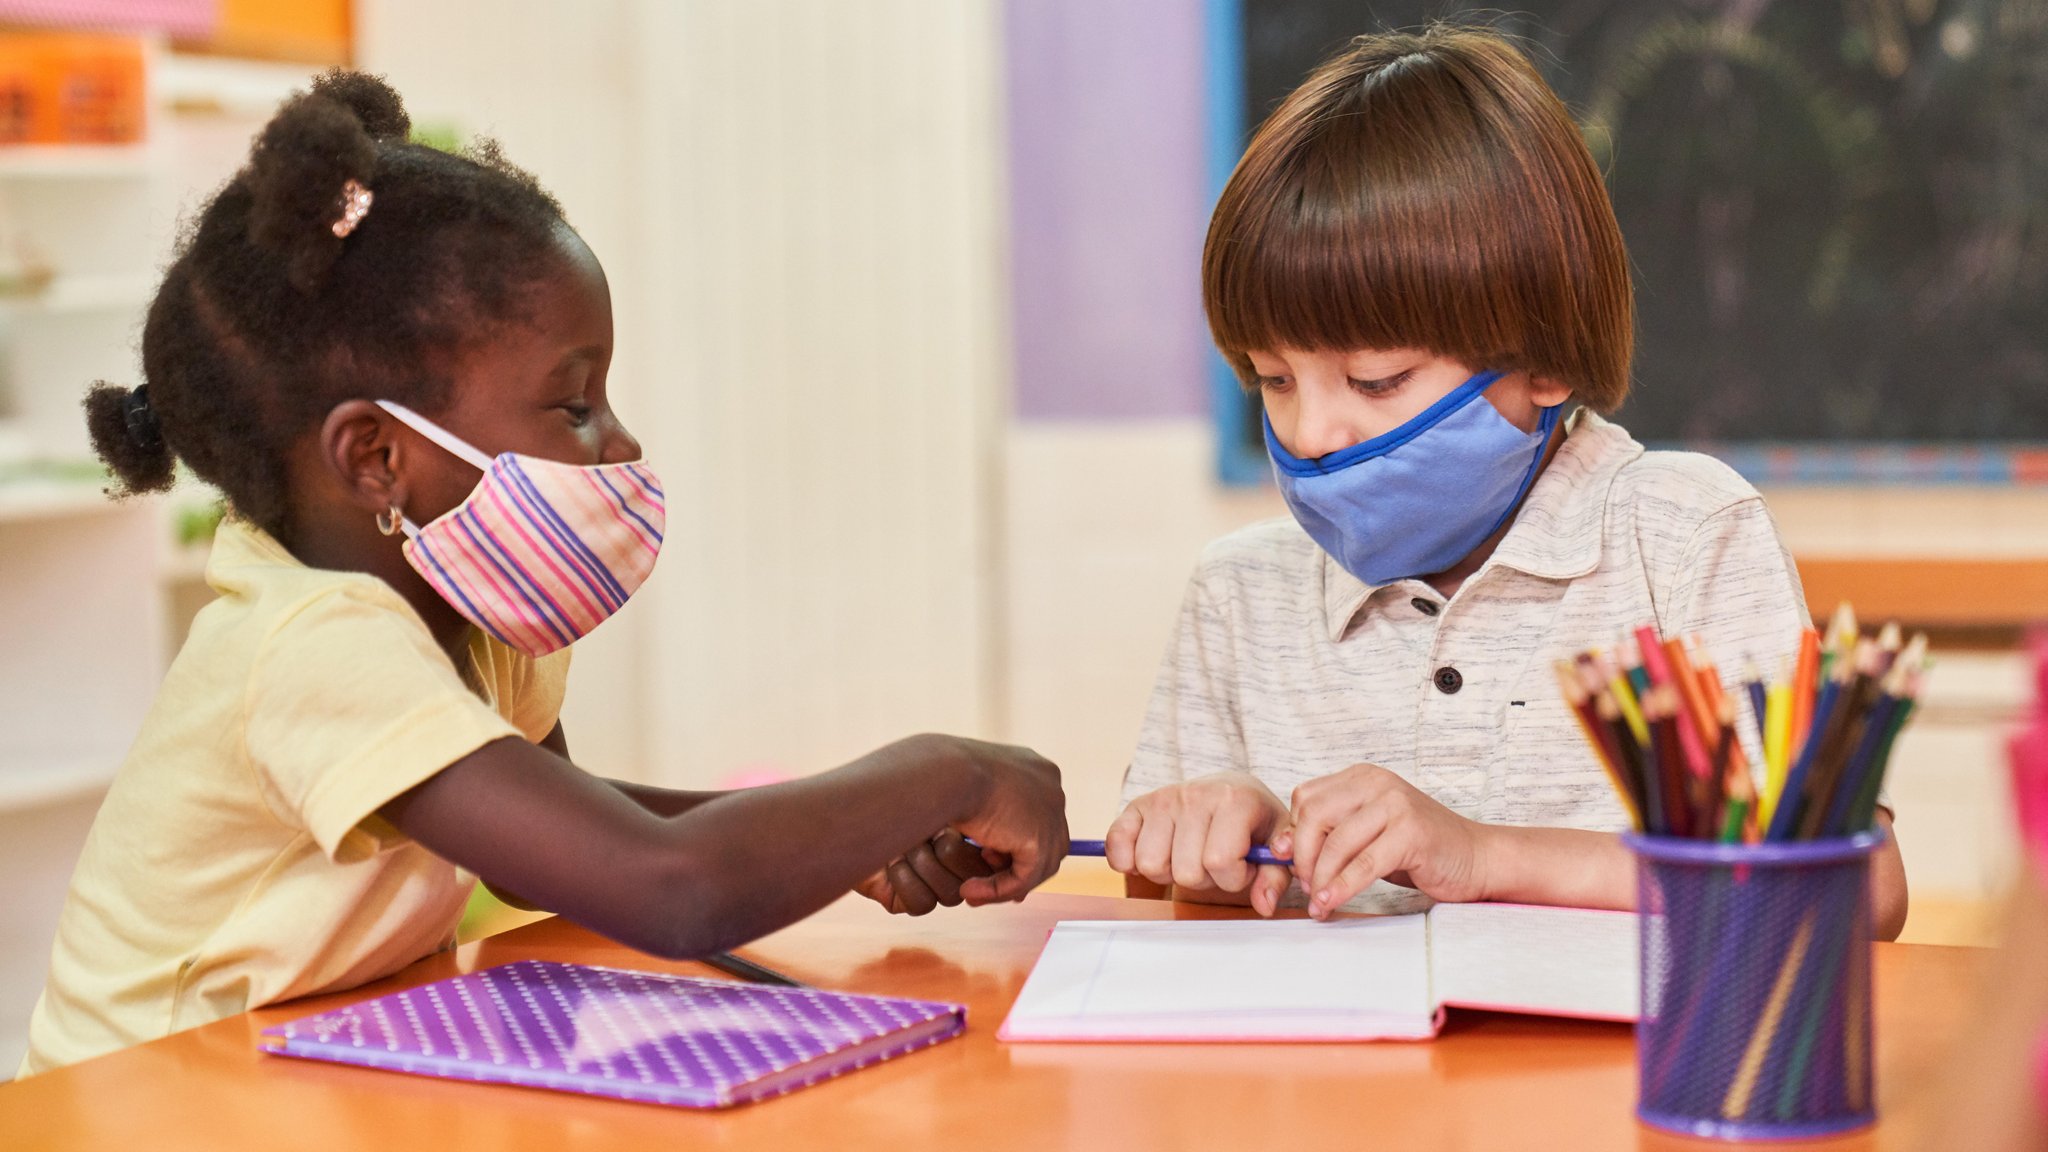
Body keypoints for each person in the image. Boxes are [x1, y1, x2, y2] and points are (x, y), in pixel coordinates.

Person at [18, 70, 1066, 1077]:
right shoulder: (308, 642)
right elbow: (666, 888)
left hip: (273, 1084)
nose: (617, 443)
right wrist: (944, 772)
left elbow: (543, 838)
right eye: (573, 405)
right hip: (136, 1105)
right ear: (377, 455)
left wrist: (851, 834)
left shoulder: (460, 612)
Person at [1104, 27, 1907, 930]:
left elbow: (1858, 891)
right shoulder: (1239, 594)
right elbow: (1173, 909)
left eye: (1376, 380)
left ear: (1545, 363)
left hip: (1618, 1074)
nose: (1312, 432)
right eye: (1273, 379)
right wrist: (1216, 843)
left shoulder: (1683, 541)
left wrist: (1482, 854)